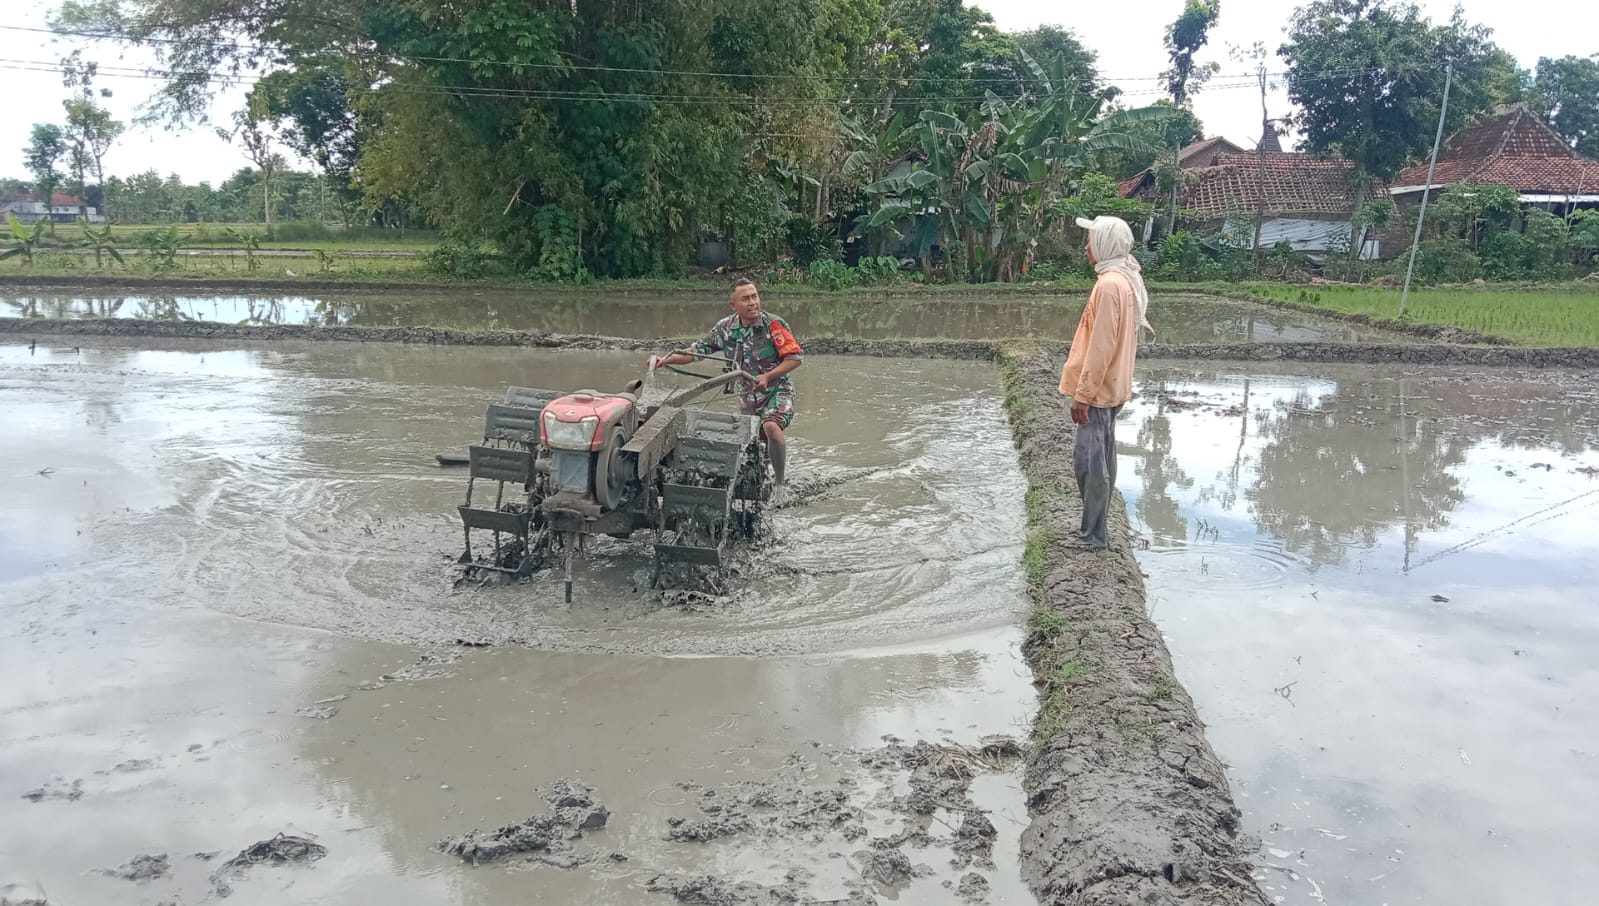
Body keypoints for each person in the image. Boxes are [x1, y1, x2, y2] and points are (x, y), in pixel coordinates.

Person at [651, 278, 803, 489]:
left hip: (776, 390)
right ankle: (761, 482)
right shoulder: (725, 328)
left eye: (755, 296)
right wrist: (665, 360)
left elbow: (794, 358)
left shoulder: (774, 325)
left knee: (771, 426)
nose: (753, 303)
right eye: (746, 299)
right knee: (756, 446)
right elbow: (696, 352)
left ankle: (779, 485)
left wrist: (767, 377)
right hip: (747, 397)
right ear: (734, 305)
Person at [1058, 216, 1153, 550]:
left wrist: (1083, 395)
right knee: (1101, 459)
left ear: (1105, 245)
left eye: (1091, 241)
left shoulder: (1110, 285)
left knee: (1090, 465)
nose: (1087, 247)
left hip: (1098, 393)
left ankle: (1093, 536)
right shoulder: (1122, 279)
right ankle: (1093, 530)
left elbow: (1101, 346)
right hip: (1111, 388)